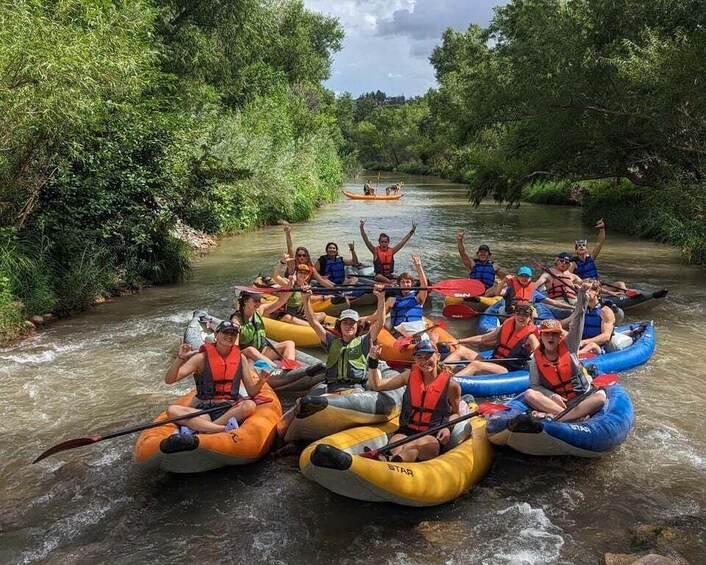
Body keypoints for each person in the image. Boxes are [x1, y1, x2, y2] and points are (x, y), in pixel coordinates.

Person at [365, 340, 461, 462]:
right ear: (414, 359)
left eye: (428, 356)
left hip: (431, 436)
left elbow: (456, 413)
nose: (424, 361)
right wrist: (373, 361)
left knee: (414, 446)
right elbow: (377, 385)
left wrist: (448, 427)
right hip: (406, 432)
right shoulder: (408, 375)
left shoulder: (451, 386)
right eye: (419, 357)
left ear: (438, 356)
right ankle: (393, 460)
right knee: (397, 442)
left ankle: (388, 461)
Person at [523, 282, 607, 421]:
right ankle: (571, 416)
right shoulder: (536, 359)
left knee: (599, 398)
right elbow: (535, 385)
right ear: (541, 337)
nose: (550, 337)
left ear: (559, 336)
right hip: (558, 402)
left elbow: (577, 321)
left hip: (581, 398)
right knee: (530, 394)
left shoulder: (570, 346)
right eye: (547, 334)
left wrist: (581, 296)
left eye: (554, 334)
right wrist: (552, 396)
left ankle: (557, 418)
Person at [164, 321, 267, 433]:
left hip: (228, 410)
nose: (229, 336)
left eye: (233, 334)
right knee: (172, 410)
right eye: (225, 333)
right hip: (204, 411)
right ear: (216, 335)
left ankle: (204, 428)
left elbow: (251, 391)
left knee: (249, 405)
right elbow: (169, 380)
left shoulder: (241, 358)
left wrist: (262, 380)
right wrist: (180, 358)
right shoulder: (201, 358)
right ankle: (220, 428)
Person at [452, 302, 540, 376]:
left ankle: (449, 382)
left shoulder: (530, 337)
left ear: (530, 318)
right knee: (461, 350)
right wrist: (459, 340)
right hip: (494, 360)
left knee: (475, 365)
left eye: (525, 315)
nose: (521, 317)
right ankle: (441, 371)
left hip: (508, 369)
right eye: (519, 314)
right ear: (514, 314)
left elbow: (540, 354)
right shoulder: (505, 326)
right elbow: (483, 338)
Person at [565, 279, 633, 355]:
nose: (586, 293)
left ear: (597, 291)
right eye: (584, 290)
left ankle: (574, 356)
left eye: (589, 290)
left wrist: (583, 342)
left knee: (591, 345)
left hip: (598, 347)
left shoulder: (605, 311)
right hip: (580, 343)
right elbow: (566, 322)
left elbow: (606, 336)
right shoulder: (581, 310)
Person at [231, 290, 296, 362]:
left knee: (289, 343)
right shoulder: (236, 320)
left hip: (261, 352)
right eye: (255, 300)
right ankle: (273, 368)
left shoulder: (259, 311)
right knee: (251, 350)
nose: (258, 303)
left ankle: (289, 368)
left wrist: (290, 286)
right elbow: (234, 346)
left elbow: (281, 301)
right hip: (245, 356)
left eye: (259, 300)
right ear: (245, 301)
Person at [570, 218, 629, 293]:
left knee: (620, 284)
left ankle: (626, 295)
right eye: (579, 246)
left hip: (598, 287)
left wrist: (602, 228)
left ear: (587, 249)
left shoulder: (591, 257)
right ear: (576, 250)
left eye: (583, 245)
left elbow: (600, 242)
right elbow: (568, 279)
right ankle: (620, 296)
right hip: (587, 289)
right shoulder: (573, 264)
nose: (582, 247)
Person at [487, 266, 574, 315]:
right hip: (510, 314)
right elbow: (497, 293)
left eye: (527, 276)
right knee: (500, 310)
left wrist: (572, 307)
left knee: (535, 314)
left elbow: (553, 303)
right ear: (518, 277)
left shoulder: (534, 292)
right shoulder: (511, 289)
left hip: (526, 315)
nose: (524, 278)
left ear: (530, 278)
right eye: (522, 276)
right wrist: (503, 281)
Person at [271, 257, 329, 326]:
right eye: (300, 272)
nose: (303, 274)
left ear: (308, 276)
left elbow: (308, 302)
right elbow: (275, 276)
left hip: (300, 315)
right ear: (296, 273)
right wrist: (282, 262)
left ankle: (308, 324)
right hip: (287, 315)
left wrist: (324, 297)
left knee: (323, 314)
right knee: (288, 317)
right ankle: (311, 326)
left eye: (305, 273)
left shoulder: (306, 286)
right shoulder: (290, 285)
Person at [359, 218, 417, 283]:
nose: (384, 243)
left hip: (389, 276)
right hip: (379, 277)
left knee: (403, 277)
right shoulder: (375, 250)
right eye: (382, 242)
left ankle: (392, 282)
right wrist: (361, 228)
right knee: (379, 276)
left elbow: (403, 241)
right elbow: (366, 240)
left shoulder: (392, 251)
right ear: (379, 242)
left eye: (385, 242)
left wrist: (412, 231)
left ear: (388, 242)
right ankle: (390, 283)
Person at [385, 255, 428, 335]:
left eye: (408, 282)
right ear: (399, 285)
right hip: (400, 329)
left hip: (416, 327)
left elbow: (424, 286)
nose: (405, 284)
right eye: (403, 282)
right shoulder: (393, 299)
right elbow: (379, 315)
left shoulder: (418, 297)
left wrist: (419, 267)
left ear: (411, 284)